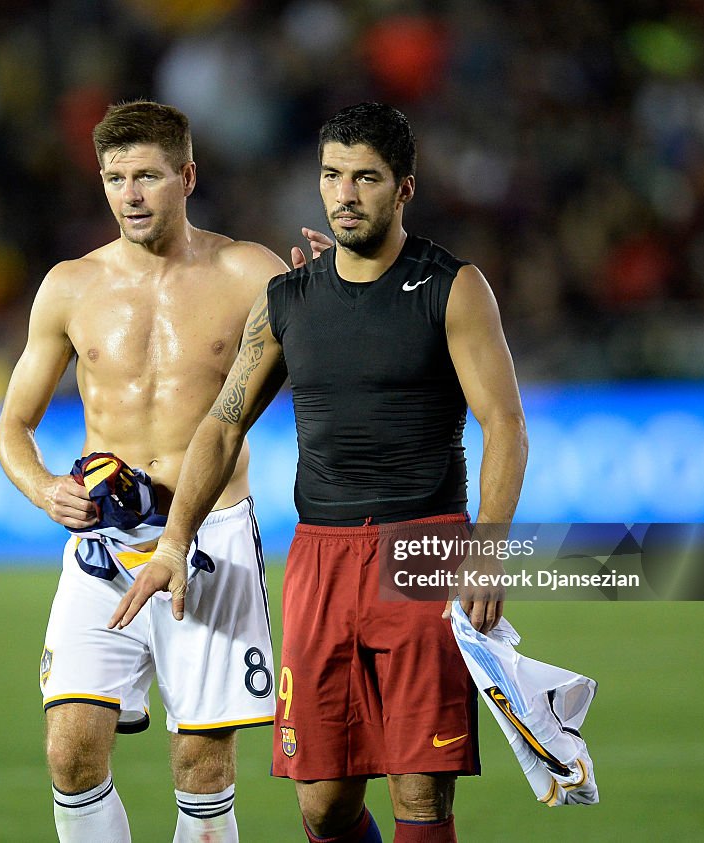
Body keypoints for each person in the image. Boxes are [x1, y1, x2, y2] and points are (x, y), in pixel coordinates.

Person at [110, 102, 529, 843]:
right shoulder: (289, 301)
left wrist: (488, 549)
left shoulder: (452, 287)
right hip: (319, 555)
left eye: (365, 177)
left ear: (403, 188)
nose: (344, 193)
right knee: (322, 802)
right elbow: (222, 422)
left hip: (422, 548)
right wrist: (174, 539)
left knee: (420, 792)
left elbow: (505, 424)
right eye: (332, 175)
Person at [0, 100, 312, 843]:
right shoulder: (71, 286)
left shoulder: (248, 272)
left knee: (202, 767)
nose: (129, 194)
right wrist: (45, 488)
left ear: (187, 176)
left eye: (146, 176)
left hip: (210, 538)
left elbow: (337, 359)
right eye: (114, 177)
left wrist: (342, 284)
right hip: (105, 547)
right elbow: (13, 425)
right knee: (70, 750)